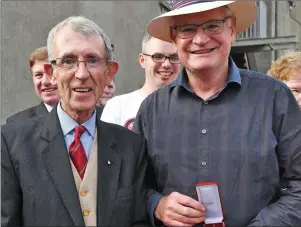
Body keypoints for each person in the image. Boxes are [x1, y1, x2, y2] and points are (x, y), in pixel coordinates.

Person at [133, 0, 301, 226]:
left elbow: (298, 186)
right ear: (174, 37)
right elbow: (132, 187)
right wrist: (156, 205)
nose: (200, 39)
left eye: (213, 25)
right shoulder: (151, 110)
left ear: (232, 30)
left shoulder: (275, 98)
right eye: (187, 29)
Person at [2, 16, 148, 227]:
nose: (81, 74)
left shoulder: (131, 147)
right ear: (52, 73)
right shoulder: (12, 143)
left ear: (109, 73)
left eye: (92, 60)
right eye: (68, 61)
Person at [101, 33, 181, 130]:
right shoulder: (117, 106)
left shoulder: (193, 107)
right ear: (142, 60)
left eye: (174, 57)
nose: (166, 64)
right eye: (158, 56)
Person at [6, 46, 60, 123]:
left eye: (51, 73)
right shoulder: (17, 124)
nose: (45, 81)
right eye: (38, 75)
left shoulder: (82, 119)